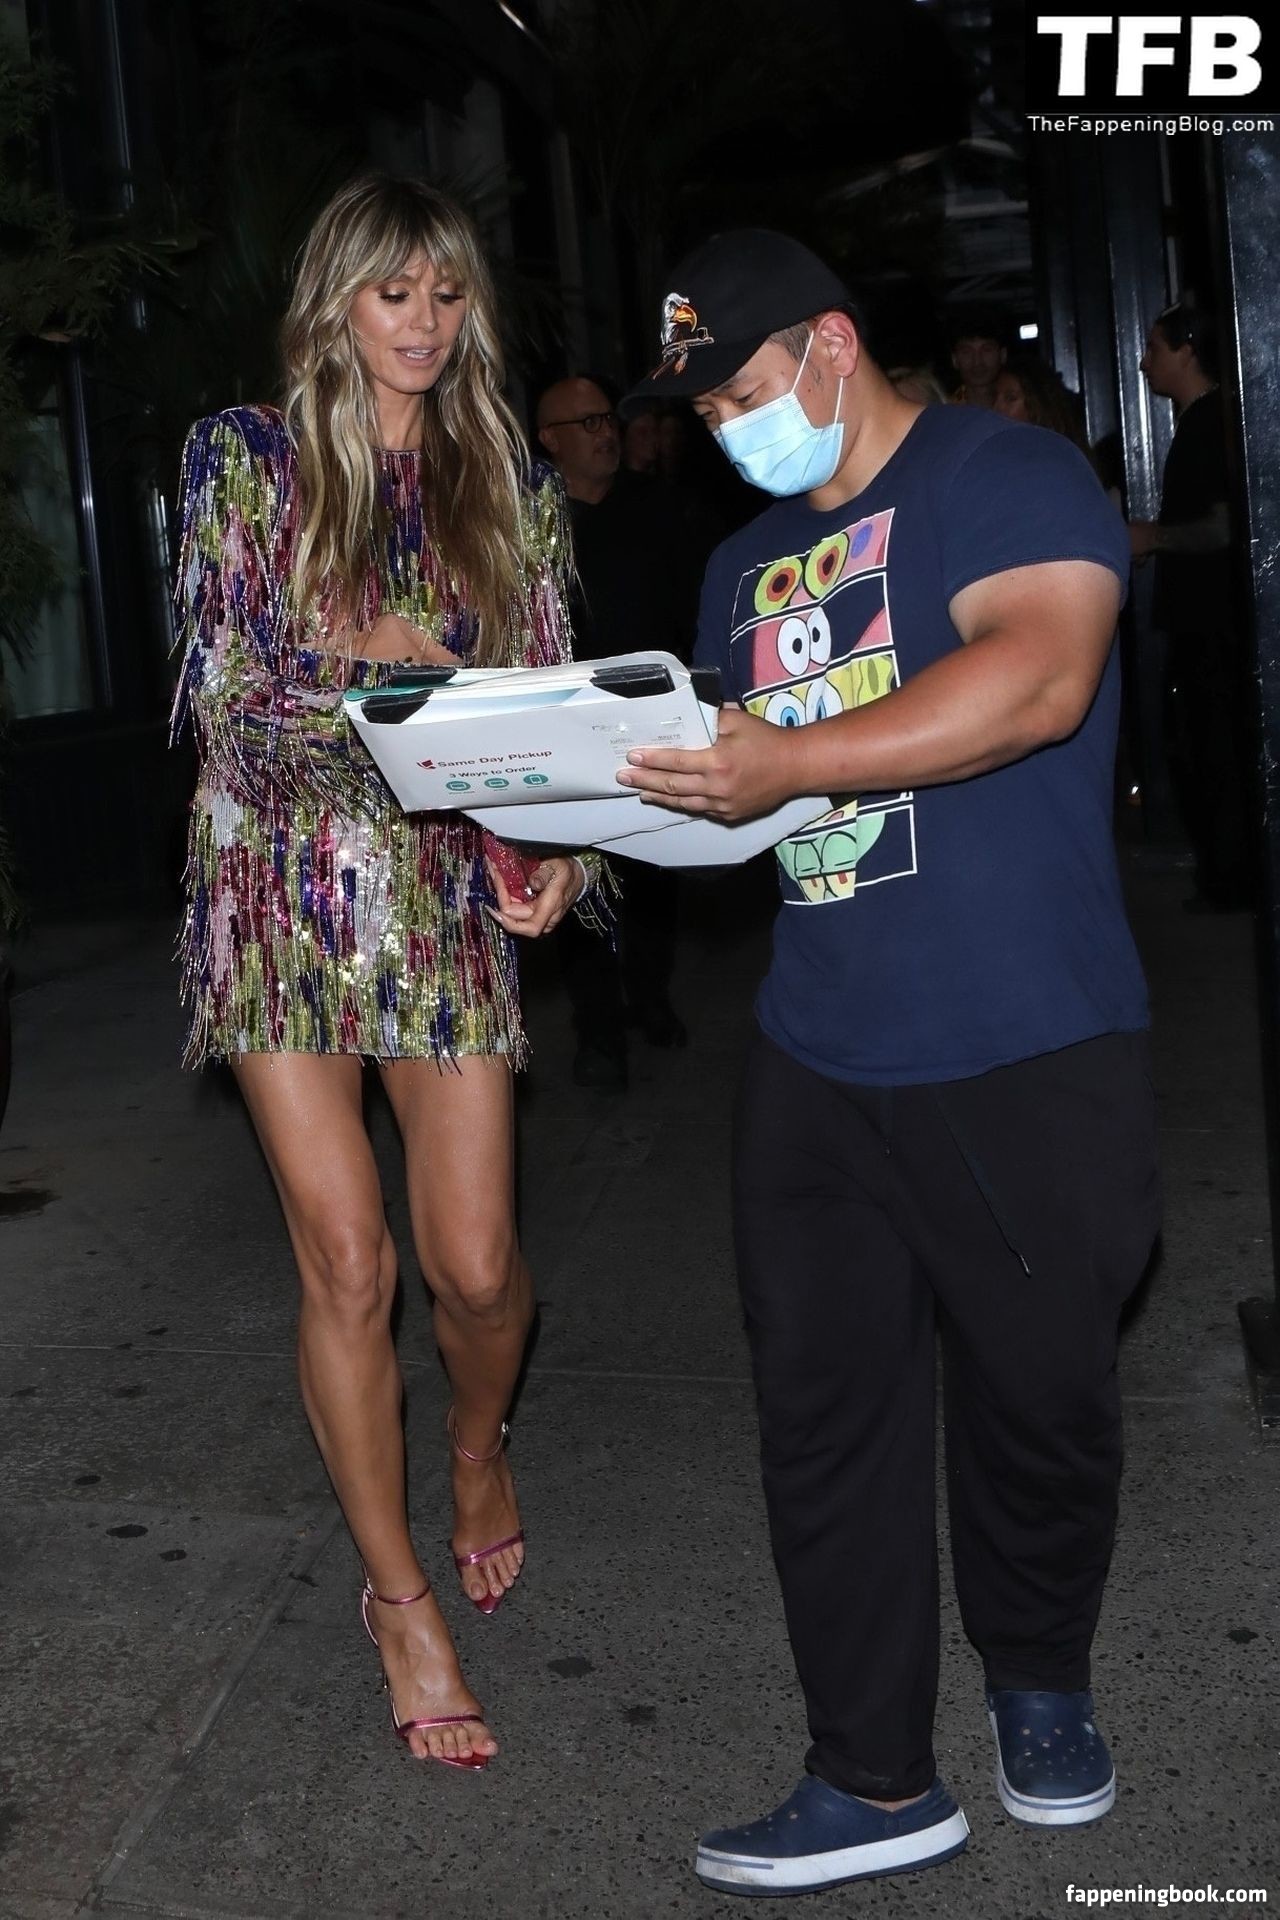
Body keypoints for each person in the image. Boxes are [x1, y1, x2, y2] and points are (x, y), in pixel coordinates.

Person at [619, 229, 1158, 1895]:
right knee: (823, 1417)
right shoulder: (741, 568)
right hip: (818, 1044)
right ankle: (870, 1776)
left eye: (744, 388)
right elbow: (732, 787)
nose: (729, 428)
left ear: (833, 345)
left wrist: (790, 763)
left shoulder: (1005, 476)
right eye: (704, 410)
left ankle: (1039, 1675)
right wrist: (583, 853)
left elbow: (1041, 676)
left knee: (1039, 1401)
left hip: (1023, 1034)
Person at [171, 175, 597, 1771]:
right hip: (273, 896)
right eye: (392, 291)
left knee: (474, 1268)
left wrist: (568, 847)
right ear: (331, 301)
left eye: (447, 293)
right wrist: (403, 669)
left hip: (443, 895)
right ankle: (398, 1597)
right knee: (348, 1265)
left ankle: (478, 1444)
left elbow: (545, 709)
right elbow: (233, 709)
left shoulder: (507, 481)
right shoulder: (245, 458)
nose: (422, 323)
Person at [536, 375, 696, 1085]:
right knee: (579, 875)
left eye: (609, 419)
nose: (606, 433)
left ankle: (651, 997)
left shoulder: (657, 509)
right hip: (570, 727)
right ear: (551, 440)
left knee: (654, 871)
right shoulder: (531, 524)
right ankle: (598, 1029)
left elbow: (689, 607)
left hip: (655, 719)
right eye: (588, 422)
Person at [1131, 303, 1252, 911]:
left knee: (1214, 750)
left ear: (1187, 350)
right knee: (1206, 747)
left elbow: (1224, 527)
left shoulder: (1209, 424)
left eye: (1155, 346)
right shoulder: (1202, 422)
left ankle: (1230, 881)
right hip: (1203, 618)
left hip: (1211, 621)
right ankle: (1225, 877)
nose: (1144, 361)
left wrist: (1154, 536)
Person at [948, 313, 1007, 408]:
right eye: (967, 352)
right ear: (954, 359)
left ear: (1003, 355)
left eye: (986, 350)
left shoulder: (1018, 409)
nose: (977, 362)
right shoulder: (944, 410)